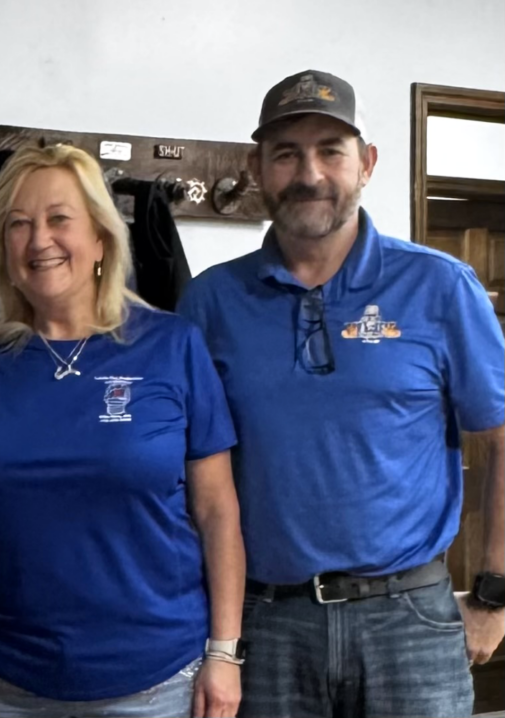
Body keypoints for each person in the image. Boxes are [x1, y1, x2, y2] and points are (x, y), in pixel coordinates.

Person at [178, 69, 505, 718]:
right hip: (266, 625)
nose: (310, 173)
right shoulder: (210, 302)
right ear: (256, 169)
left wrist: (495, 595)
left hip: (408, 620)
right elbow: (191, 475)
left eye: (331, 150)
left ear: (367, 163)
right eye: (286, 154)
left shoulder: (440, 287)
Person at [0, 144, 246, 718]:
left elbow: (217, 511)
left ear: (101, 238)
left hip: (156, 676)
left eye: (59, 218)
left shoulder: (171, 345)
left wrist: (225, 651)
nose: (39, 240)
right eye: (18, 224)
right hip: (6, 676)